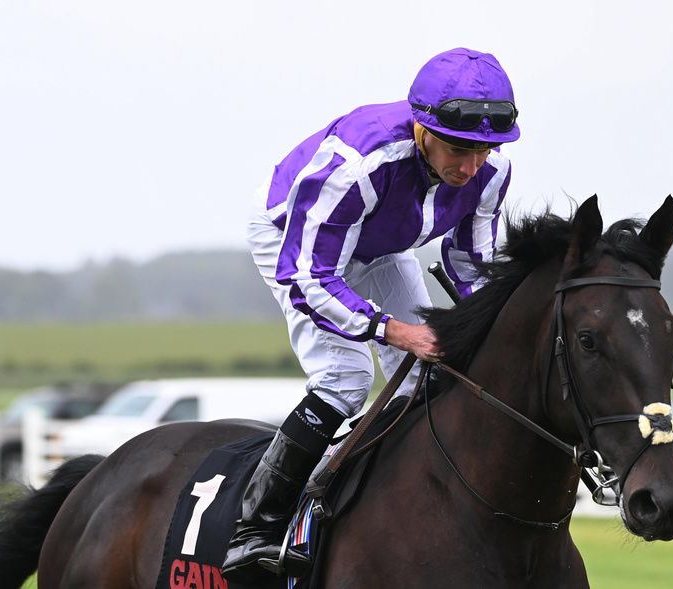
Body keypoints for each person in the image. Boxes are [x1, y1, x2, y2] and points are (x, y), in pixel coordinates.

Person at [222, 47, 521, 580]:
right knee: (348, 377)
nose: (472, 166)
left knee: (422, 383)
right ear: (421, 128)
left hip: (382, 245)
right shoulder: (359, 163)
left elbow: (471, 265)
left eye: (485, 150)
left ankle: (401, 509)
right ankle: (256, 529)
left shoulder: (490, 169)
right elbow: (311, 276)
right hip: (295, 240)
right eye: (458, 149)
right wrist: (393, 329)